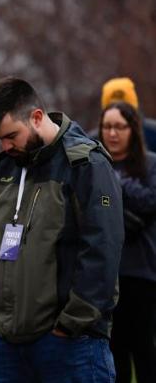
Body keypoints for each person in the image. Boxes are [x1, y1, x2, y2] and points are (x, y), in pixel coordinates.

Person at [0, 77, 123, 382]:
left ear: (37, 117)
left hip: (71, 345)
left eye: (11, 135)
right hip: (6, 346)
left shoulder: (86, 165)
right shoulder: (2, 169)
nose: (5, 146)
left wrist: (68, 327)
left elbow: (102, 251)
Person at [98, 101, 156, 383]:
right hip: (107, 275)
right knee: (114, 355)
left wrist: (116, 181)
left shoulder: (151, 164)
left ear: (132, 129)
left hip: (142, 274)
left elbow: (149, 203)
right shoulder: (94, 166)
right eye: (107, 127)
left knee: (145, 352)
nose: (112, 133)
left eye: (119, 126)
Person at [98, 77, 156, 152]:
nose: (113, 134)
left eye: (120, 127)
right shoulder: (93, 142)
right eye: (112, 107)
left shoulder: (153, 133)